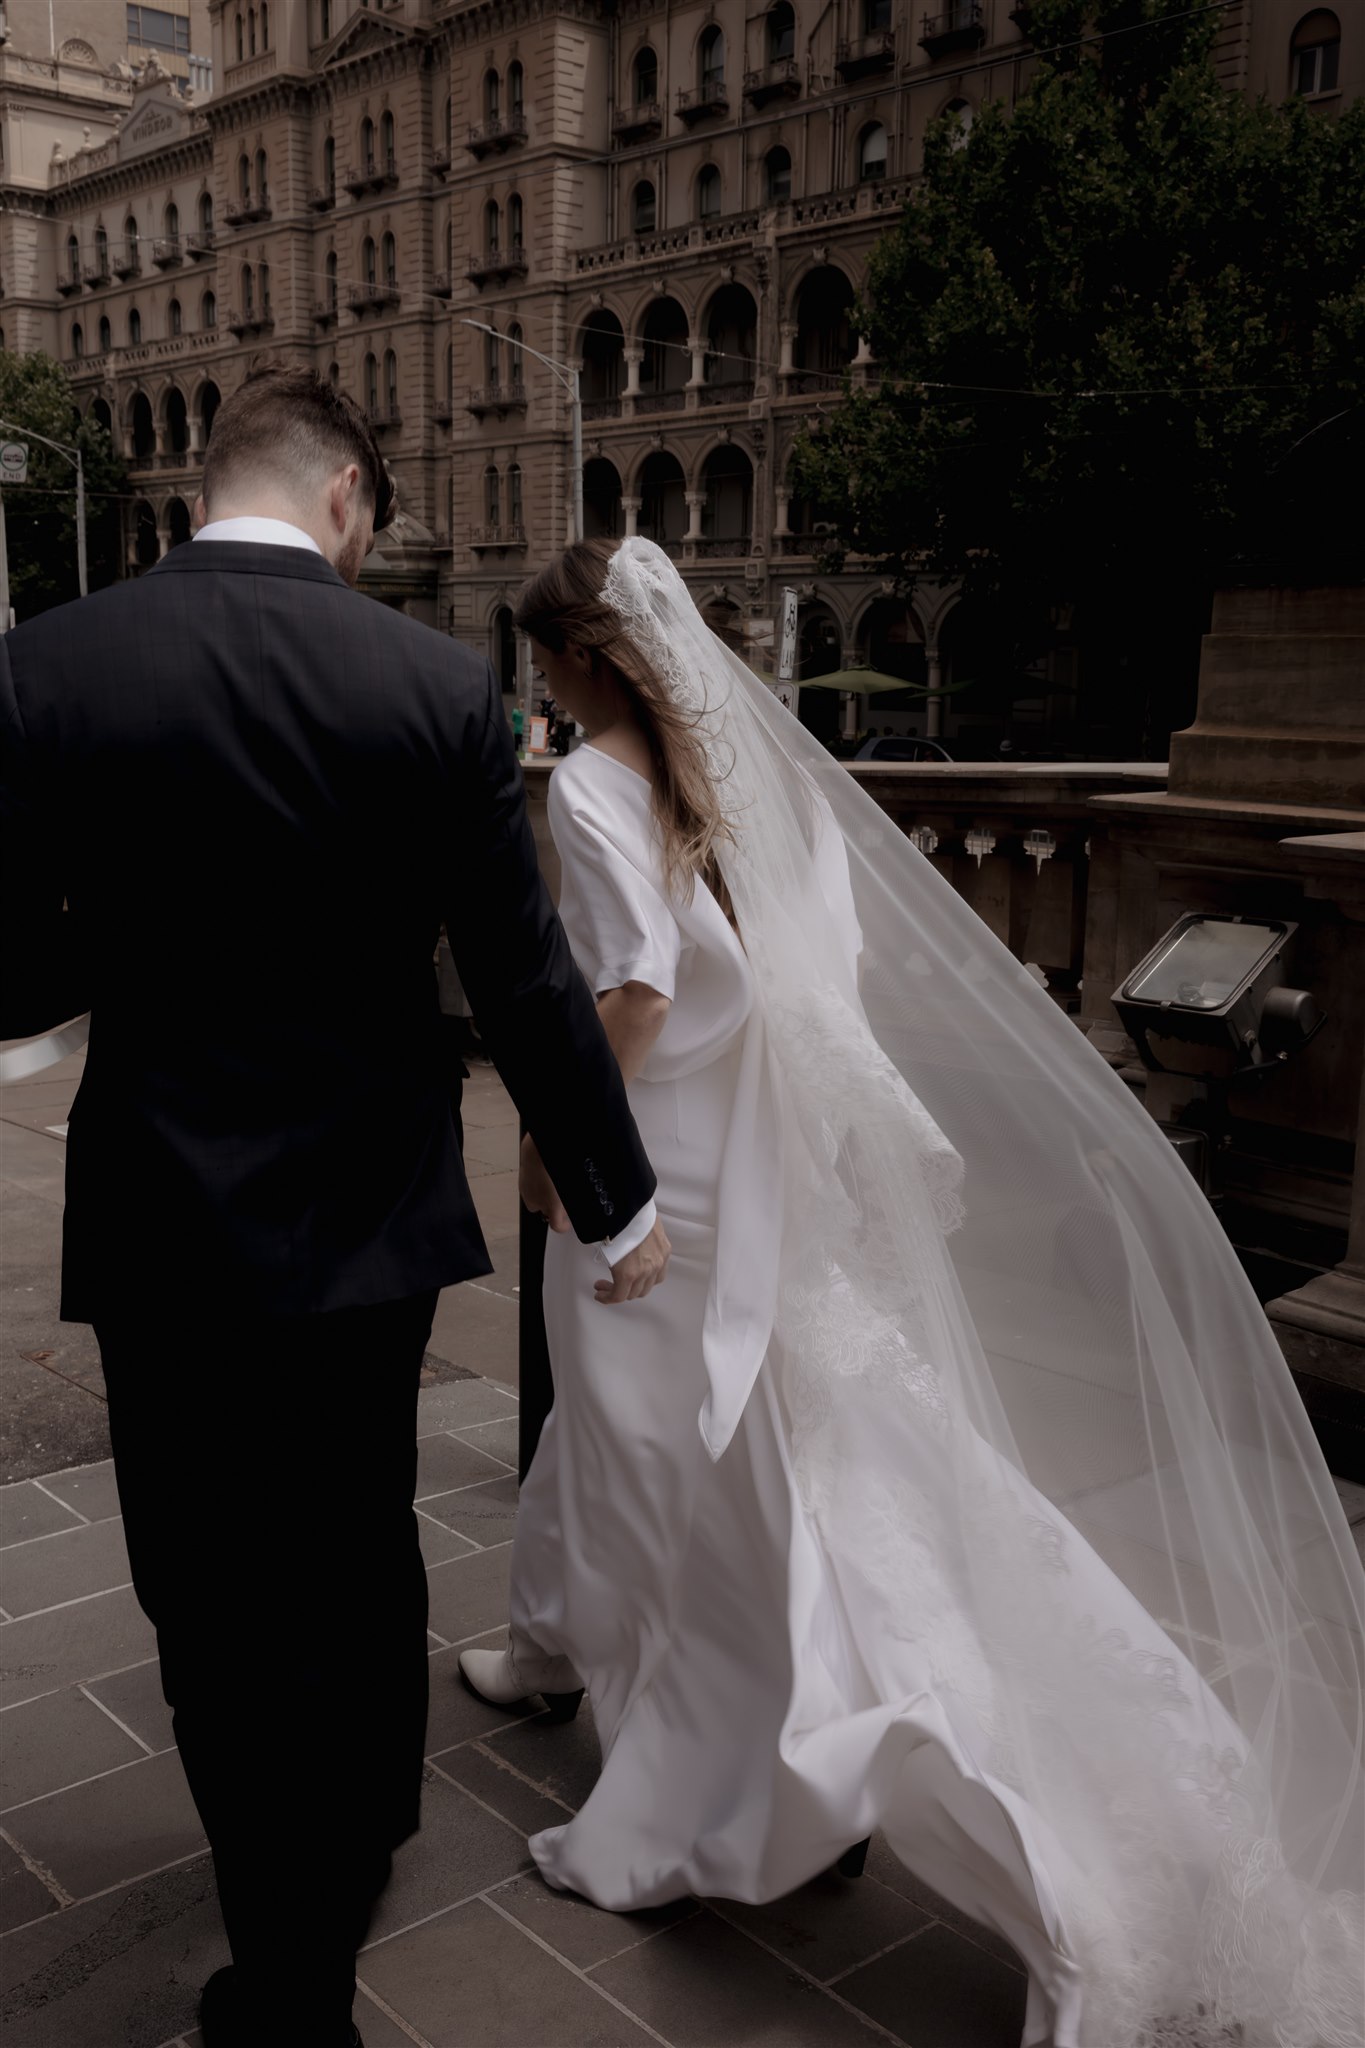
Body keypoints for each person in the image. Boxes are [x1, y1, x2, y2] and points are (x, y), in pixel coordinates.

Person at [459, 537, 1364, 2048]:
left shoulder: (592, 789)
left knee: (684, 1473)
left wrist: (564, 1167)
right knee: (749, 1448)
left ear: (584, 660)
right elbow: (821, 976)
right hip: (753, 1180)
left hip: (654, 1188)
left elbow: (630, 998)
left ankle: (717, 1782)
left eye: (543, 657)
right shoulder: (757, 796)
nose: (538, 682)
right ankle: (548, 1640)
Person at [0, 369, 668, 2048]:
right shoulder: (435, 685)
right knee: (357, 1545)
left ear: (214, 482)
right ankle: (353, 1843)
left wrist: (133, 928)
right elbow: (521, 988)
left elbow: (12, 967)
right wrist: (613, 1199)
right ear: (352, 500)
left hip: (164, 1225)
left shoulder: (50, 665)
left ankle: (279, 1956)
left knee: (211, 1586)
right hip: (369, 1221)